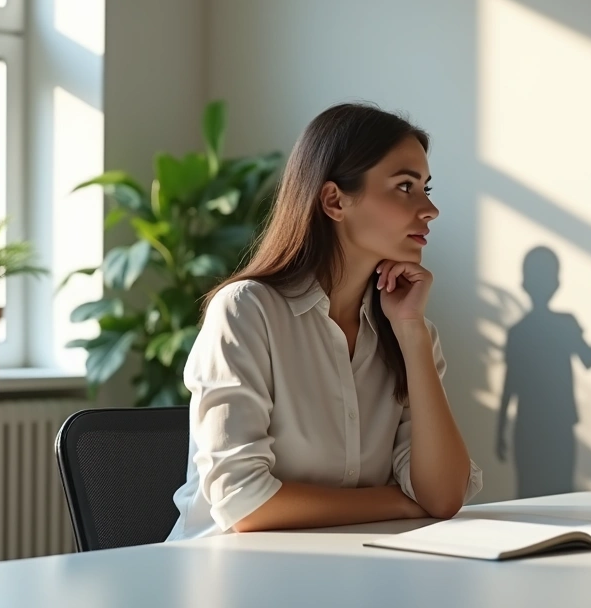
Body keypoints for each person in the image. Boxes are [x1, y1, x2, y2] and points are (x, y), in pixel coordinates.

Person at [166, 102, 482, 540]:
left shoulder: (408, 329)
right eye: (405, 187)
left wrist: (412, 332)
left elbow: (444, 496)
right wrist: (399, 502)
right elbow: (245, 503)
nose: (430, 209)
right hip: (230, 570)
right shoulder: (245, 311)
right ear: (335, 200)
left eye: (425, 188)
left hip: (349, 565)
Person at [496, 247, 591, 498]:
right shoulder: (564, 324)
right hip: (557, 425)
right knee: (558, 496)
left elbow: (510, 385)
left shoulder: (519, 331)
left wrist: (500, 430)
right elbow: (589, 359)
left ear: (524, 283)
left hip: (531, 427)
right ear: (556, 282)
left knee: (531, 495)